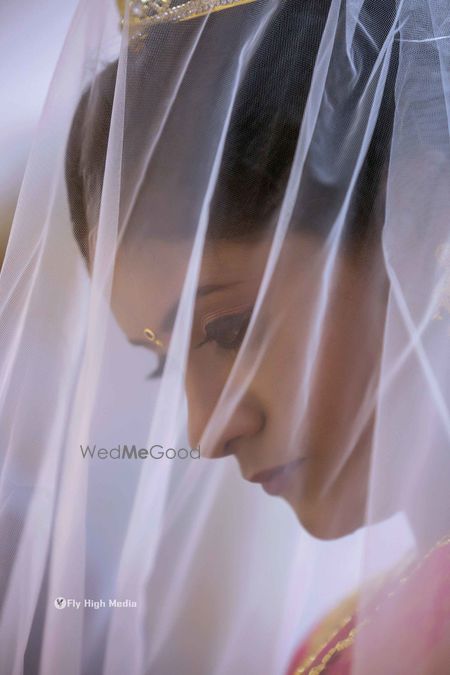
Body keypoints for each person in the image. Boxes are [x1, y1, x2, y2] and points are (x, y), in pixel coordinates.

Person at [1, 0, 449, 672]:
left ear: (418, 223)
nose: (206, 432)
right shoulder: (342, 638)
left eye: (228, 329)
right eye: (164, 363)